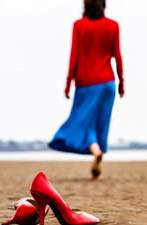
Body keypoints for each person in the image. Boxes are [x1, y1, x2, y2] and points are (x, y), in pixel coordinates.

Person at [49, 0, 124, 180]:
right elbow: (117, 56)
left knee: (83, 122)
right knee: (98, 123)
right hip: (107, 83)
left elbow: (73, 56)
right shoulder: (113, 26)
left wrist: (68, 83)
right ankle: (95, 164)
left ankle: (96, 151)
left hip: (86, 83)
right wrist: (122, 81)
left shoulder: (79, 25)